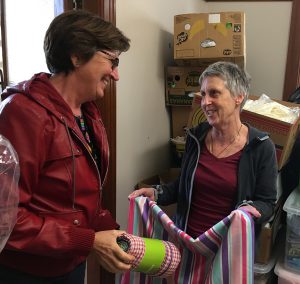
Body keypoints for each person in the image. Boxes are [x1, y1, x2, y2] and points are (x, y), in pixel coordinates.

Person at [0, 9, 134, 284]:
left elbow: (80, 199)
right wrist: (89, 241)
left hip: (69, 262)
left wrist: (112, 234)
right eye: (112, 61)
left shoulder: (88, 113)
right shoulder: (22, 114)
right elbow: (6, 219)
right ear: (76, 56)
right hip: (28, 273)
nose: (116, 74)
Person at [130, 61, 278, 239]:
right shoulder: (196, 138)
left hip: (227, 250)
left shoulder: (260, 146)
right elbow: (183, 186)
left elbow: (267, 203)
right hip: (187, 242)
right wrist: (157, 193)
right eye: (203, 94)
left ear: (238, 96)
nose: (205, 102)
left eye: (214, 93)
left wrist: (251, 210)